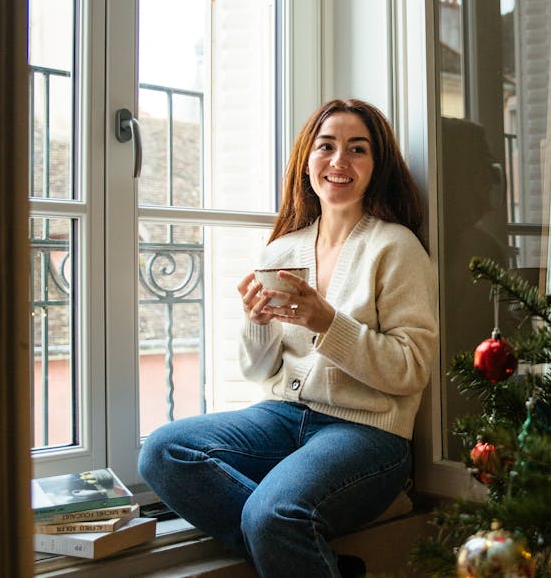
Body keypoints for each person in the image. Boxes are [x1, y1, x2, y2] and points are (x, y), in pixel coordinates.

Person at [139, 98, 438, 577]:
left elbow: (410, 370)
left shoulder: (395, 247)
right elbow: (260, 370)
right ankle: (308, 552)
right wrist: (256, 319)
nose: (339, 161)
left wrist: (326, 322)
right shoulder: (283, 248)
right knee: (163, 451)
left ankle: (285, 532)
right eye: (326, 147)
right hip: (282, 417)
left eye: (357, 149)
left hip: (367, 432)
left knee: (272, 514)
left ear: (375, 167)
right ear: (307, 159)